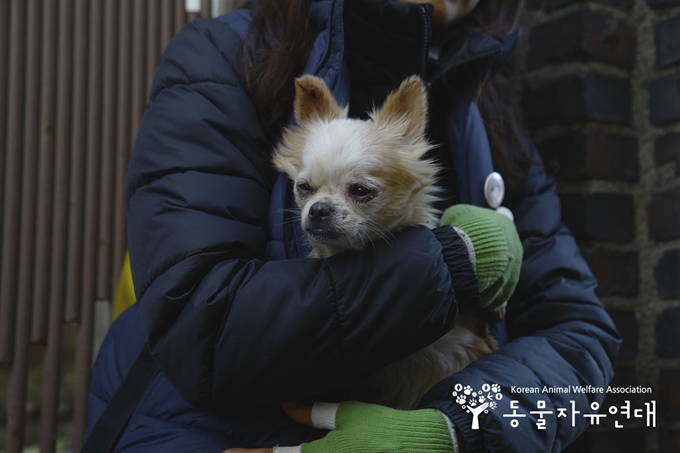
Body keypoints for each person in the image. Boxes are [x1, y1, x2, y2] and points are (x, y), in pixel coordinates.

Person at [85, 0, 622, 451]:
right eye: (304, 191)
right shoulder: (225, 58)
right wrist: (455, 259)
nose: (318, 210)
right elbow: (198, 322)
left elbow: (581, 336)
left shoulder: (491, 119)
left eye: (361, 191)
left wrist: (457, 429)